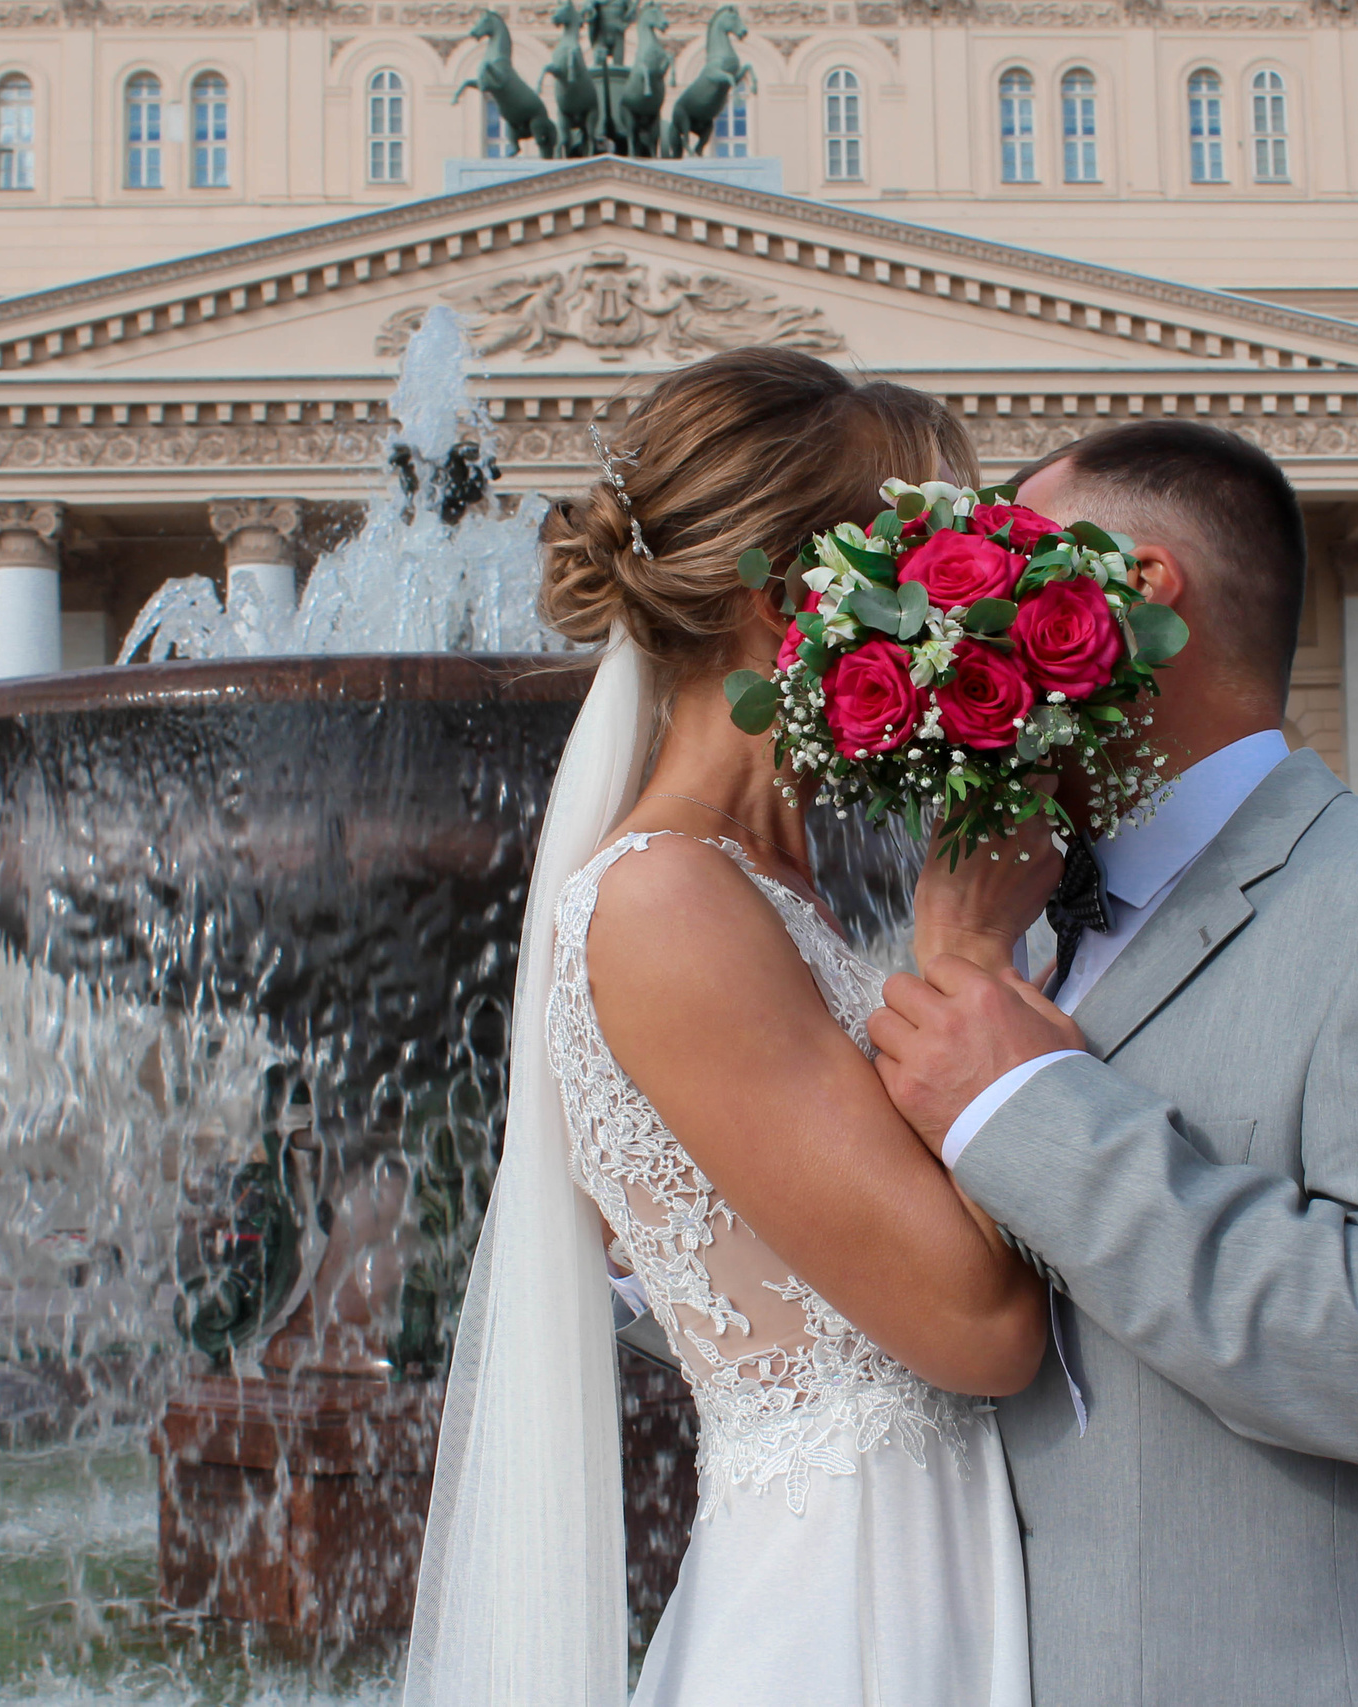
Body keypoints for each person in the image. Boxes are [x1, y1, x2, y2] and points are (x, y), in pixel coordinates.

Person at [865, 420, 1358, 1702]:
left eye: (1004, 563)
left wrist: (1027, 1112)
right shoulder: (1023, 926)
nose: (954, 619)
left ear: (1138, 590)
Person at [406, 351, 1053, 1705]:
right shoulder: (668, 905)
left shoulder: (769, 885)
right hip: (854, 1600)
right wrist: (974, 952)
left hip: (915, 1548)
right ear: (786, 604)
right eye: (933, 578)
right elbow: (980, 1325)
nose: (972, 626)